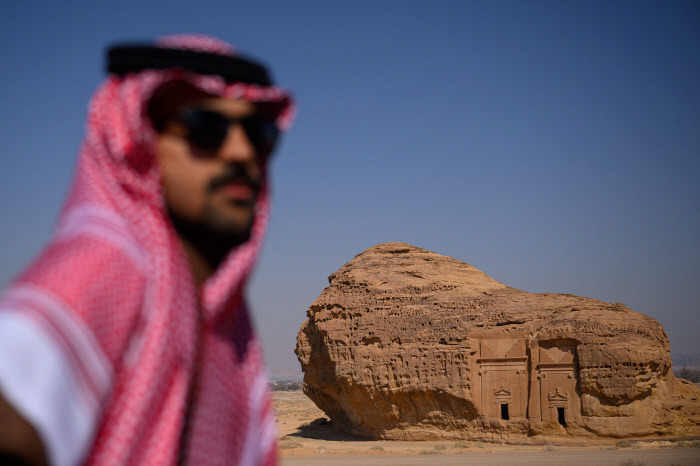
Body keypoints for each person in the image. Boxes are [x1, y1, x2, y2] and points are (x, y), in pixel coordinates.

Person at [0, 34, 294, 466]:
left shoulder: (220, 318)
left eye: (258, 132)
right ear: (135, 140)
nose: (240, 152)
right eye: (205, 128)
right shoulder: (106, 267)